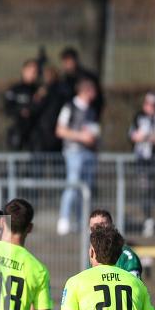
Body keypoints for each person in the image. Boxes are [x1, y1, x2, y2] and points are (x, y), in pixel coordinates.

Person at [55, 78, 100, 236]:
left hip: (88, 153)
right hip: (73, 151)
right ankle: (64, 218)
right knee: (73, 185)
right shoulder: (70, 107)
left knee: (86, 188)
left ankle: (82, 221)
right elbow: (60, 130)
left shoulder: (91, 110)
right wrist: (81, 136)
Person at [128, 93, 155, 237]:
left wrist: (147, 136)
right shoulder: (139, 117)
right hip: (143, 159)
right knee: (145, 188)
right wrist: (148, 137)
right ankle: (148, 219)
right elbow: (134, 136)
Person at [4, 59, 40, 152]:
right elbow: (7, 108)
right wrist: (20, 111)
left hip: (34, 132)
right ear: (23, 70)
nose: (33, 74)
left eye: (35, 72)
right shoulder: (15, 89)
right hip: (17, 129)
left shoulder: (39, 90)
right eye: (30, 71)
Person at [58, 47, 103, 119]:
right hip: (70, 117)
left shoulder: (88, 77)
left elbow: (98, 99)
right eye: (64, 61)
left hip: (87, 115)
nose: (66, 64)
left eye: (68, 60)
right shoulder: (63, 80)